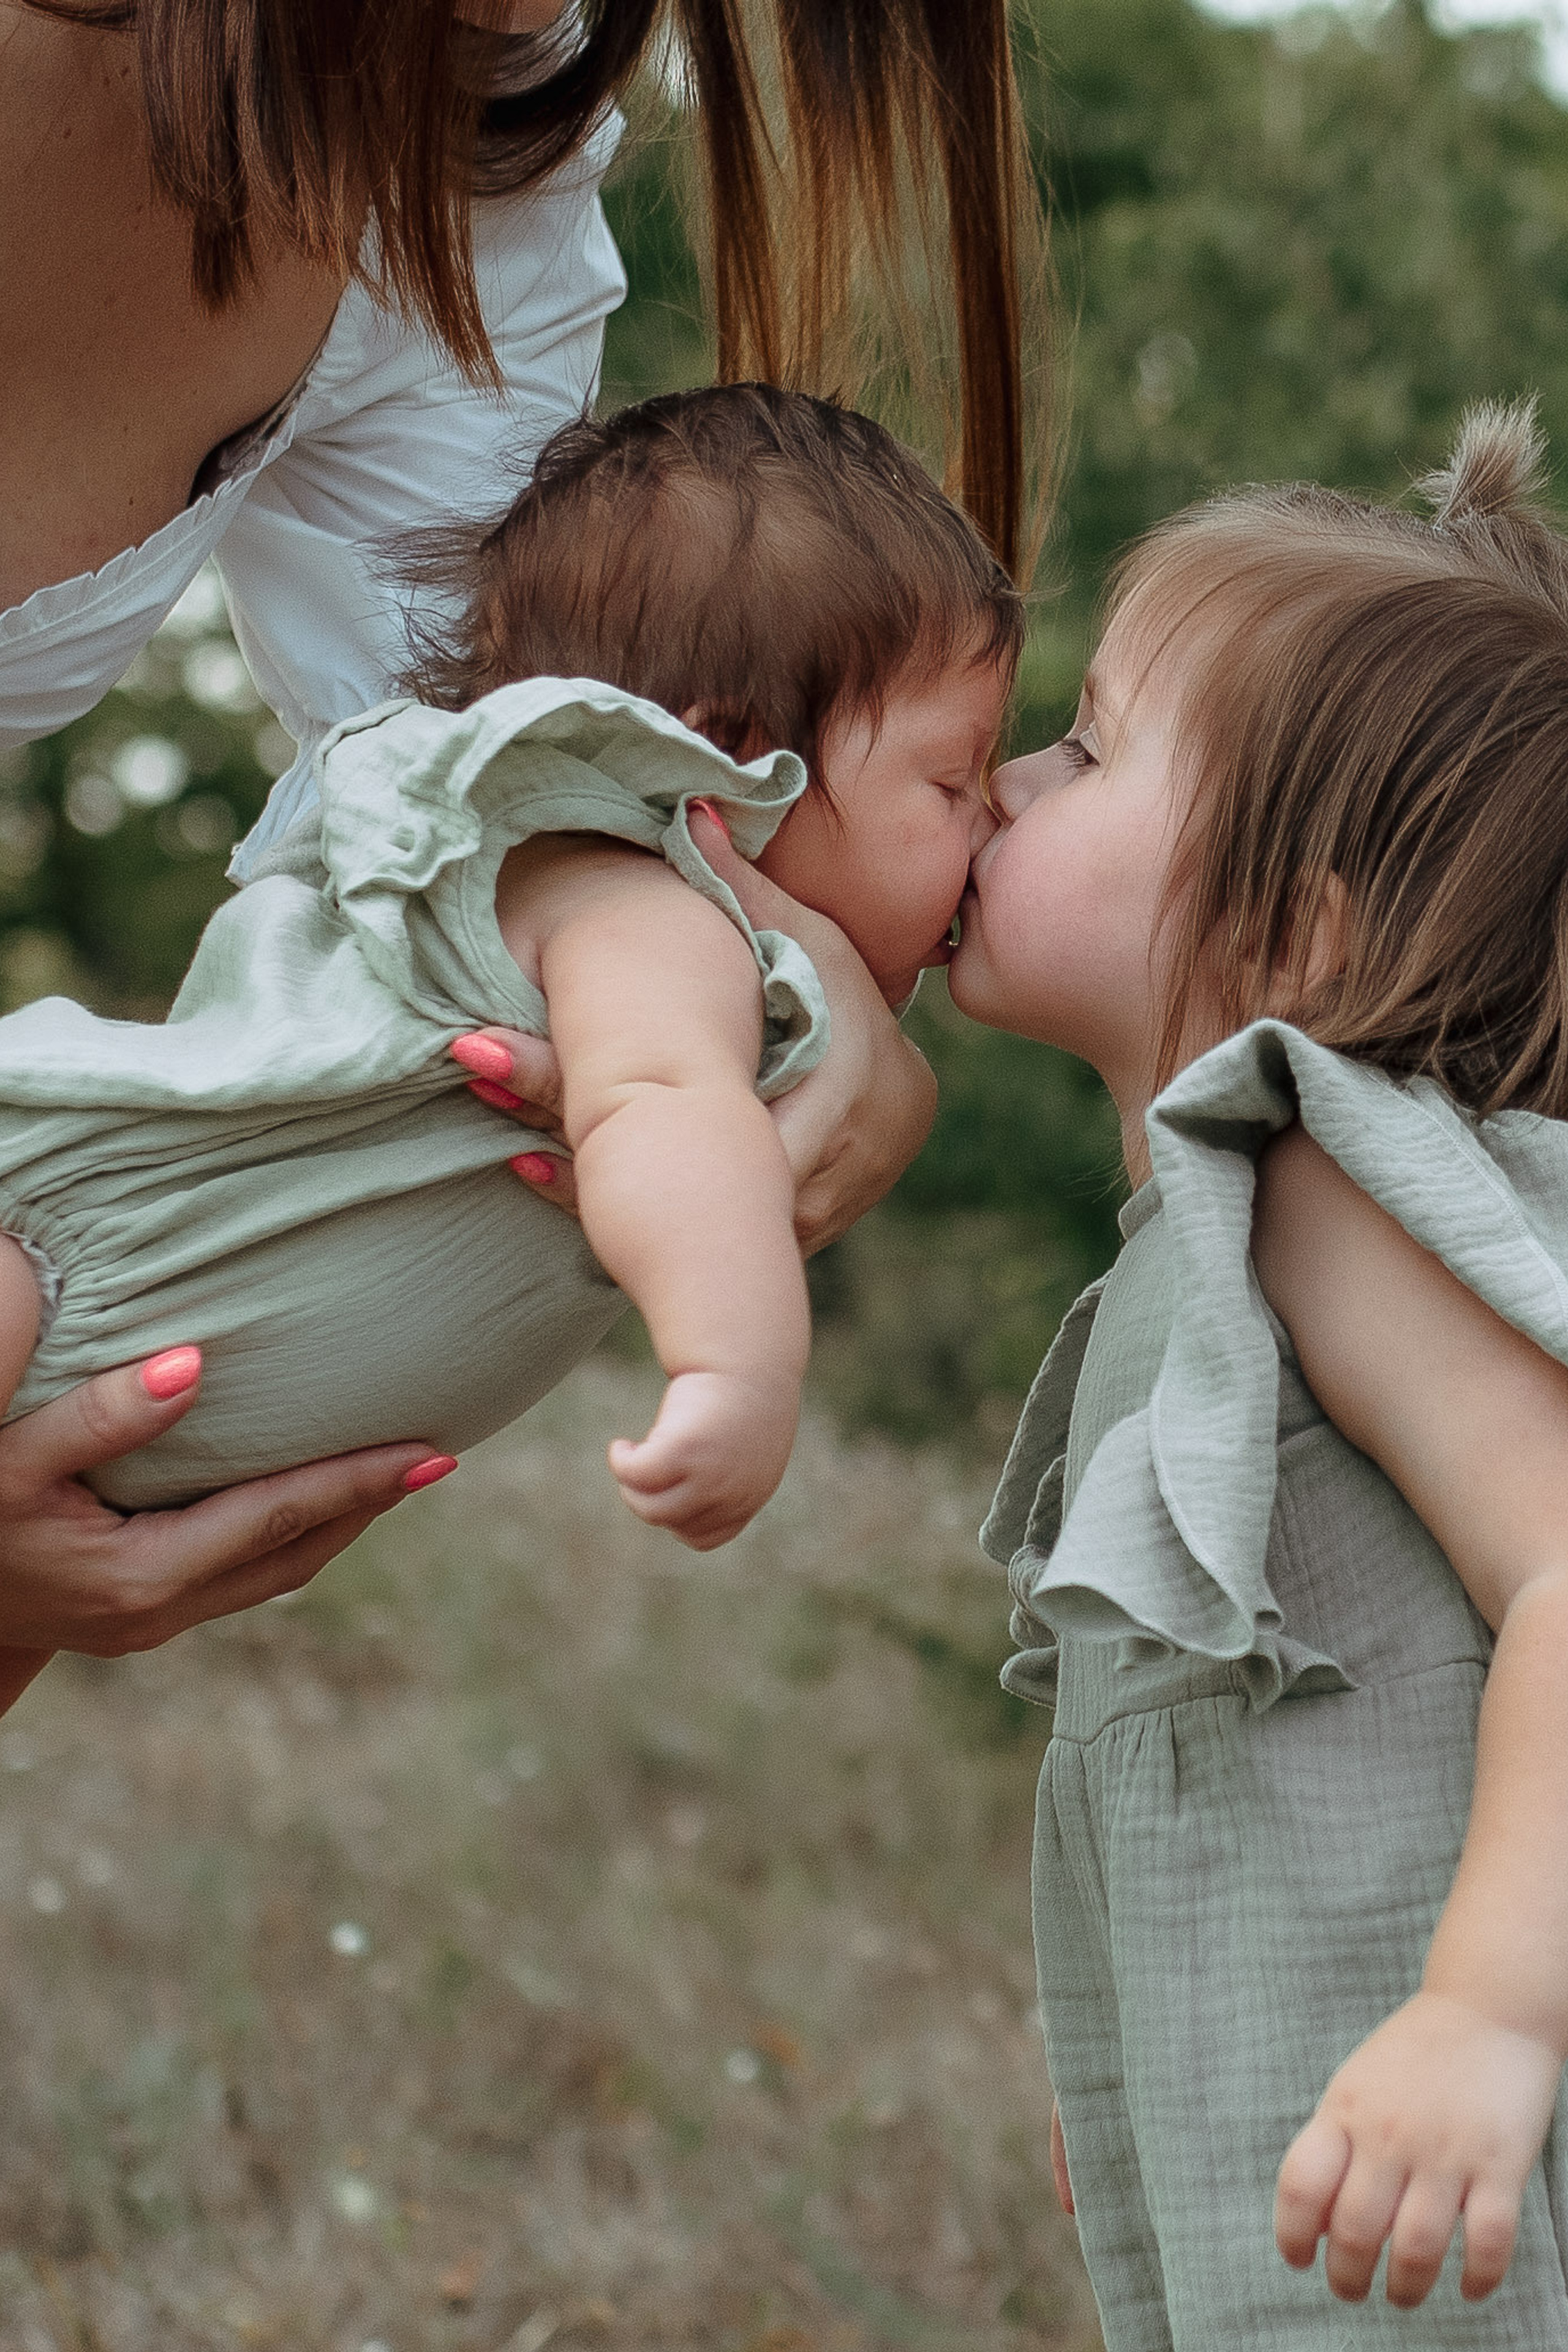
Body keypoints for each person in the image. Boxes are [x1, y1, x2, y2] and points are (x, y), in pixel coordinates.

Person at [0, 0, 1035, 1660]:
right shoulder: (641, 916)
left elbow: (462, 719)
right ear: (735, 764)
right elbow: (646, 1094)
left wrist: (839, 1012)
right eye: (954, 777)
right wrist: (739, 1368)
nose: (1003, 814)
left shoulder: (466, 181)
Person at [950, 401, 1568, 2345]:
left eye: (1087, 746)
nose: (1007, 781)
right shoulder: (1206, 1233)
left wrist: (1489, 2012)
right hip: (1295, 2127)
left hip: (1448, 2126)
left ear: (1291, 928)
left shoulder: (1321, 1177)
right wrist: (1140, 2041)